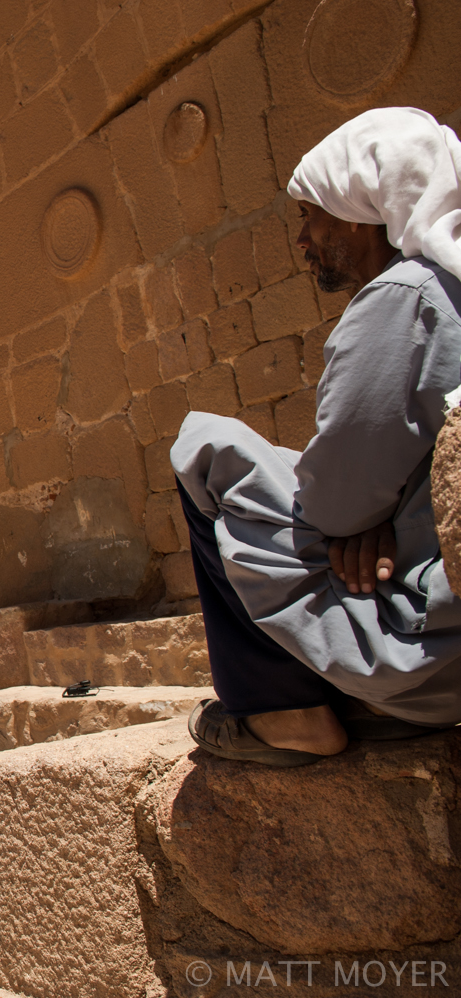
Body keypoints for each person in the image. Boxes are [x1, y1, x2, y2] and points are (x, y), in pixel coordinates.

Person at [173, 107, 461, 767]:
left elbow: (334, 503)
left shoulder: (407, 297)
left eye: (311, 215)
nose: (303, 241)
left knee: (206, 450)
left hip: (422, 649)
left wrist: (359, 517)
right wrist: (370, 514)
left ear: (361, 209)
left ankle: (283, 710)